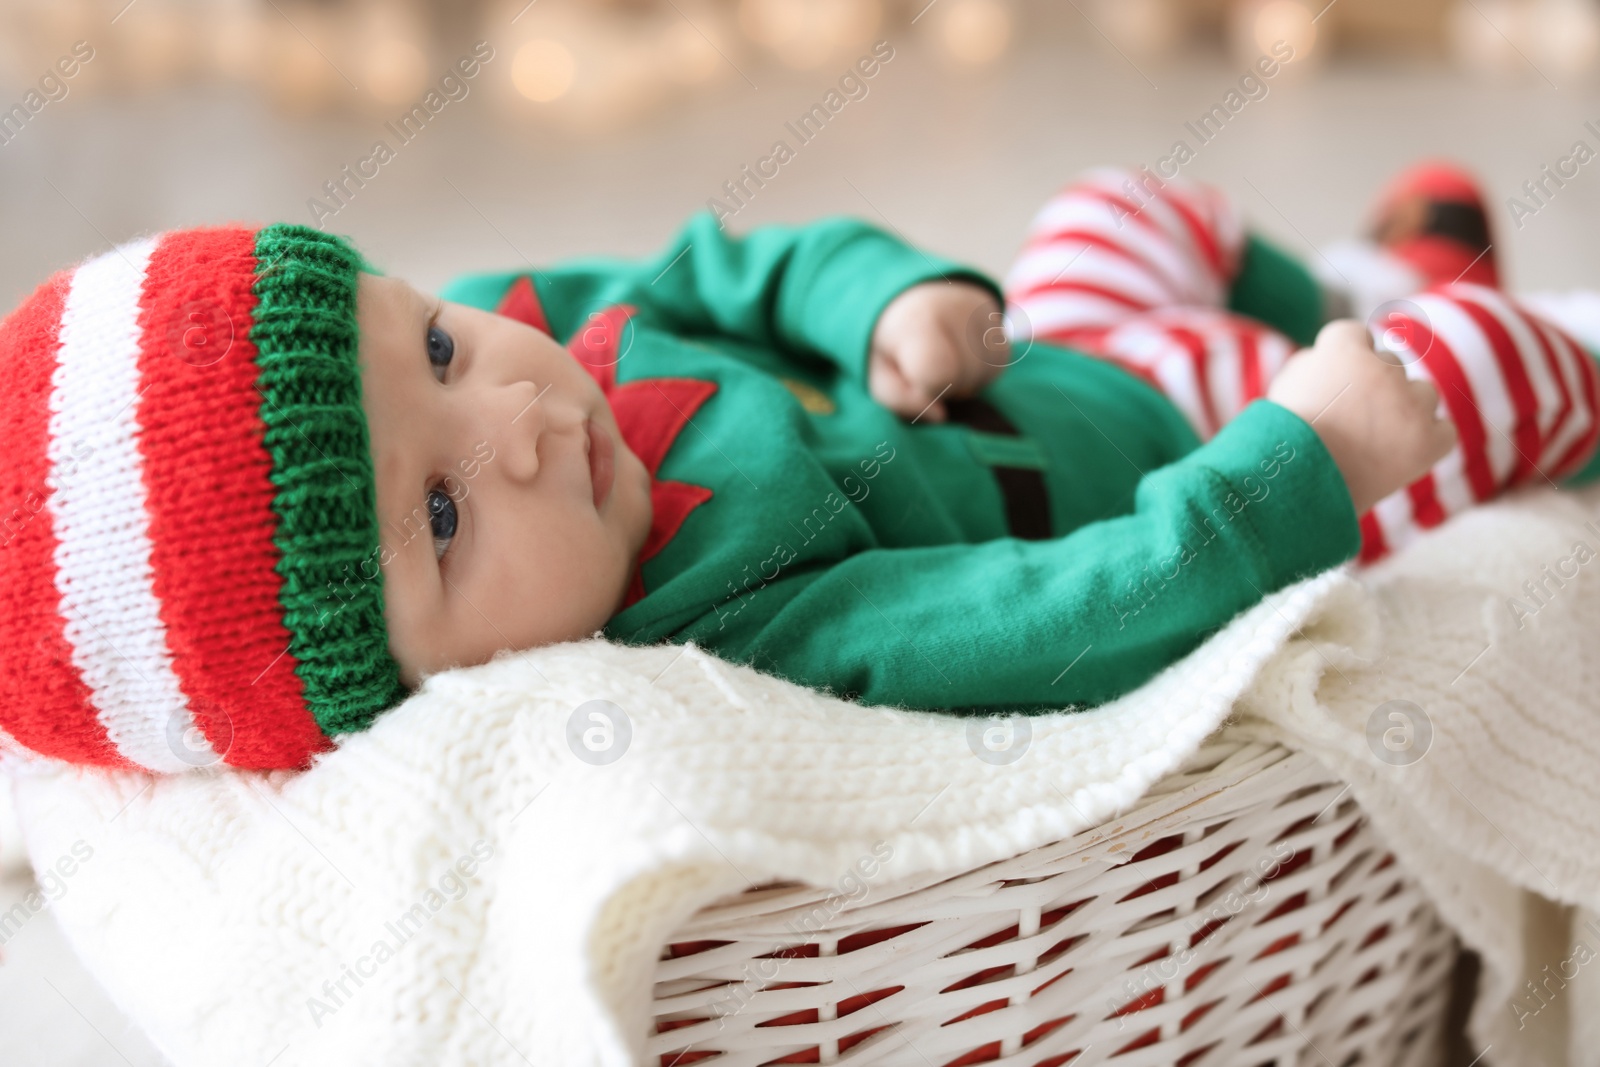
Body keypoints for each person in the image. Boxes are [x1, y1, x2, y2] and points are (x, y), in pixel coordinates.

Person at [0, 162, 1589, 772]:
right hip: (1200, 436)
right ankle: (1496, 336)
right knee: (1471, 385)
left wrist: (887, 299)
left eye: (430, 349)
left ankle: (1364, 283)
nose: (521, 418)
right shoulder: (728, 629)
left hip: (1055, 346)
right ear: (411, 700)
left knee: (1119, 208)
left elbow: (735, 263)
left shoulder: (548, 320)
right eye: (441, 512)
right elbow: (1050, 613)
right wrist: (1296, 460)